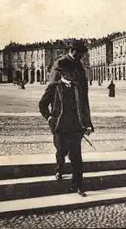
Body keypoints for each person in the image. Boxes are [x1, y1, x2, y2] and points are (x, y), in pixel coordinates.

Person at [38, 63, 94, 197]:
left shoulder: (77, 88)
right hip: (60, 127)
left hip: (75, 128)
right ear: (62, 74)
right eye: (69, 73)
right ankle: (59, 169)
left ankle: (78, 186)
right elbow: (42, 105)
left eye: (72, 73)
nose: (72, 75)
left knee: (76, 158)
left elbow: (84, 108)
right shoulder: (54, 87)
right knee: (61, 150)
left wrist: (88, 124)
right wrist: (50, 118)